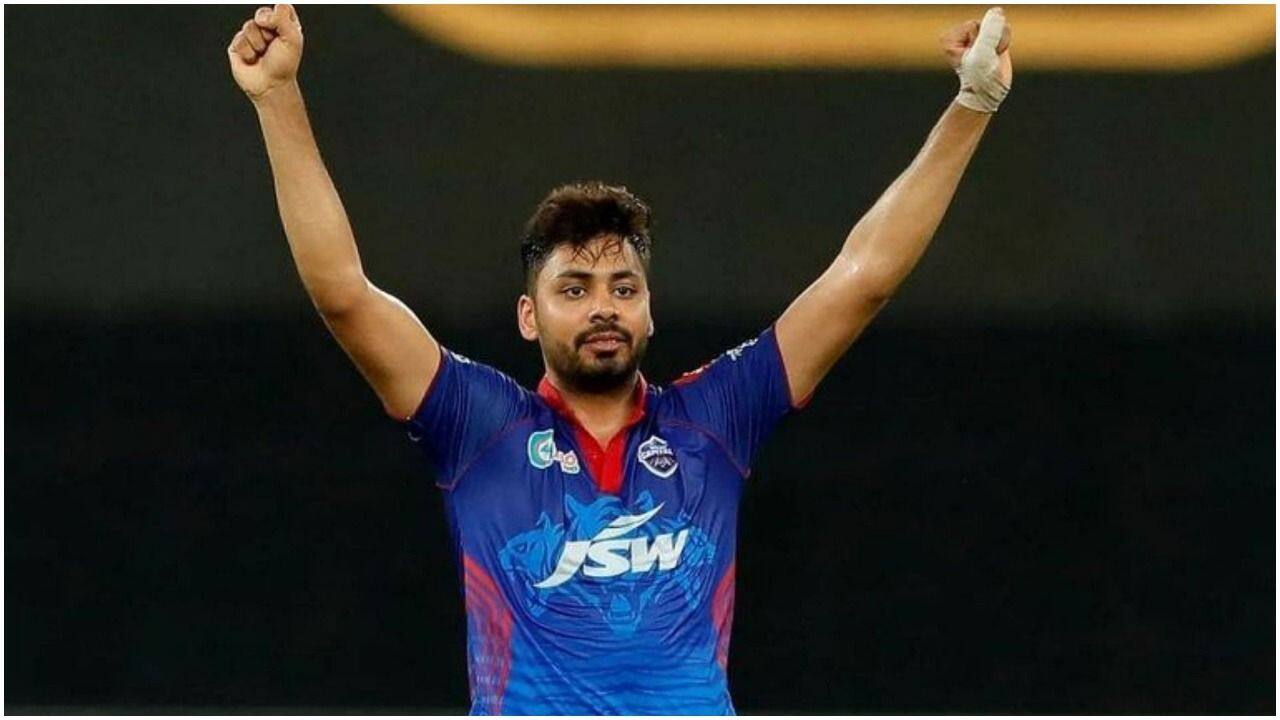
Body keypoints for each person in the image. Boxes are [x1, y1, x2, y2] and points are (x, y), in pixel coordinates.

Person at [227, 4, 1013, 714]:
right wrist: (279, 97)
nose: (603, 306)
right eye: (574, 288)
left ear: (649, 309)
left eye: (623, 287)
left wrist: (973, 104)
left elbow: (862, 278)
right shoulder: (478, 426)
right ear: (529, 317)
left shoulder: (715, 418)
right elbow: (344, 294)